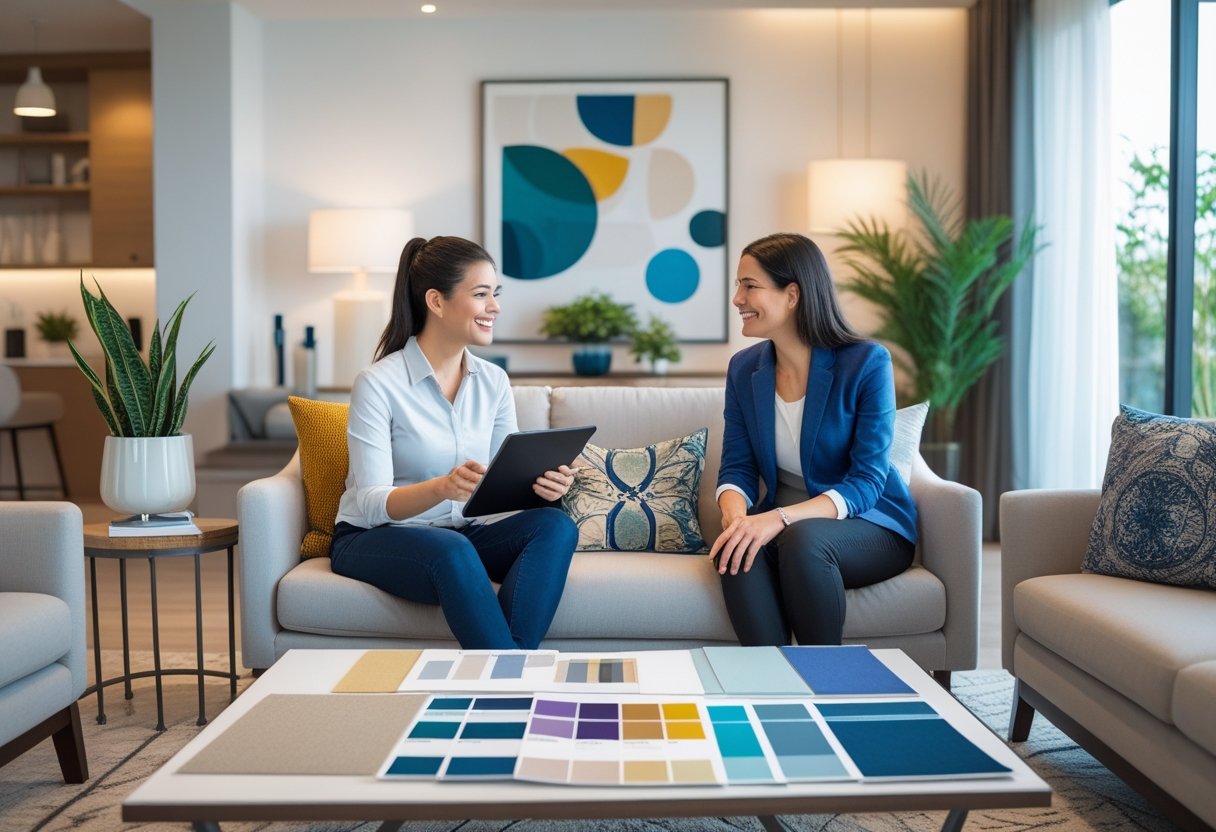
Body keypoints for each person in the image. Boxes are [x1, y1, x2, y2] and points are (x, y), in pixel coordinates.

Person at [330, 235, 579, 650]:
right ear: (436, 301)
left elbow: (503, 488)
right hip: (374, 538)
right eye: (481, 294)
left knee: (554, 527)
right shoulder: (377, 384)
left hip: (460, 535)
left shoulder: (494, 381)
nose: (495, 307)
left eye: (494, 294)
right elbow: (372, 503)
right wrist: (441, 488)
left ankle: (509, 668)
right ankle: (512, 679)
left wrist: (543, 489)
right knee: (450, 549)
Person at [709, 232, 917, 646]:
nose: (737, 299)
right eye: (738, 286)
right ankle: (772, 688)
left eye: (749, 286)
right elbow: (738, 466)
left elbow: (867, 481)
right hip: (789, 532)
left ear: (792, 295)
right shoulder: (744, 369)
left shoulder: (866, 363)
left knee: (802, 540)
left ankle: (826, 684)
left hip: (870, 524)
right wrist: (736, 519)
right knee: (733, 551)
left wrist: (779, 518)